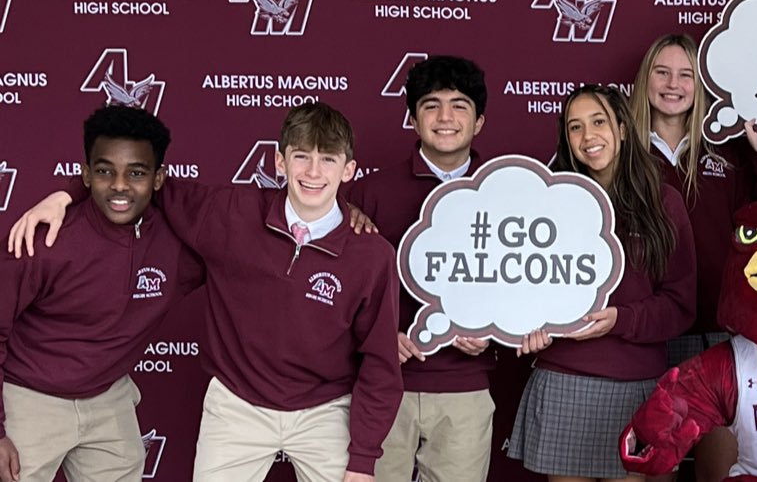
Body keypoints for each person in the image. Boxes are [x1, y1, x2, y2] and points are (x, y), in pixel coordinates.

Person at [9, 102, 403, 482]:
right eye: (301, 157)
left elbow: (380, 365)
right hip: (237, 405)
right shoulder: (229, 213)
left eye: (328, 160)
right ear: (280, 162)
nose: (313, 171)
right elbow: (130, 178)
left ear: (349, 169)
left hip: (325, 410)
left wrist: (364, 457)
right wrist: (65, 194)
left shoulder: (370, 253)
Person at [0, 106, 202, 482]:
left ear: (159, 179)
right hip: (29, 397)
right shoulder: (43, 239)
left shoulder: (177, 242)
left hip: (107, 397)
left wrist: (346, 213)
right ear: (86, 174)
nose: (120, 185)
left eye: (137, 173)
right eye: (105, 171)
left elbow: (253, 229)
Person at [507, 84, 696, 482]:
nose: (588, 136)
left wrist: (621, 319)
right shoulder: (547, 206)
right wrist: (527, 329)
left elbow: (680, 304)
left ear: (624, 128)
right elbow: (522, 294)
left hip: (636, 386)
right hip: (564, 381)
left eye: (599, 122)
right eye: (575, 127)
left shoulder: (663, 204)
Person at [628, 33, 757, 481]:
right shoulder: (623, 153)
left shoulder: (728, 150)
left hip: (722, 333)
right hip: (651, 336)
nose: (673, 84)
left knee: (721, 469)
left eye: (686, 75)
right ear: (645, 80)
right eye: (662, 72)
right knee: (655, 466)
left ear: (701, 86)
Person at [344, 55, 499, 482]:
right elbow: (328, 288)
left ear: (479, 121)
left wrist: (494, 336)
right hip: (382, 386)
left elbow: (530, 290)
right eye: (431, 105)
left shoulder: (508, 193)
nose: (445, 117)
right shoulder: (364, 194)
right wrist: (373, 338)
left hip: (465, 390)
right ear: (413, 119)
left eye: (459, 105)